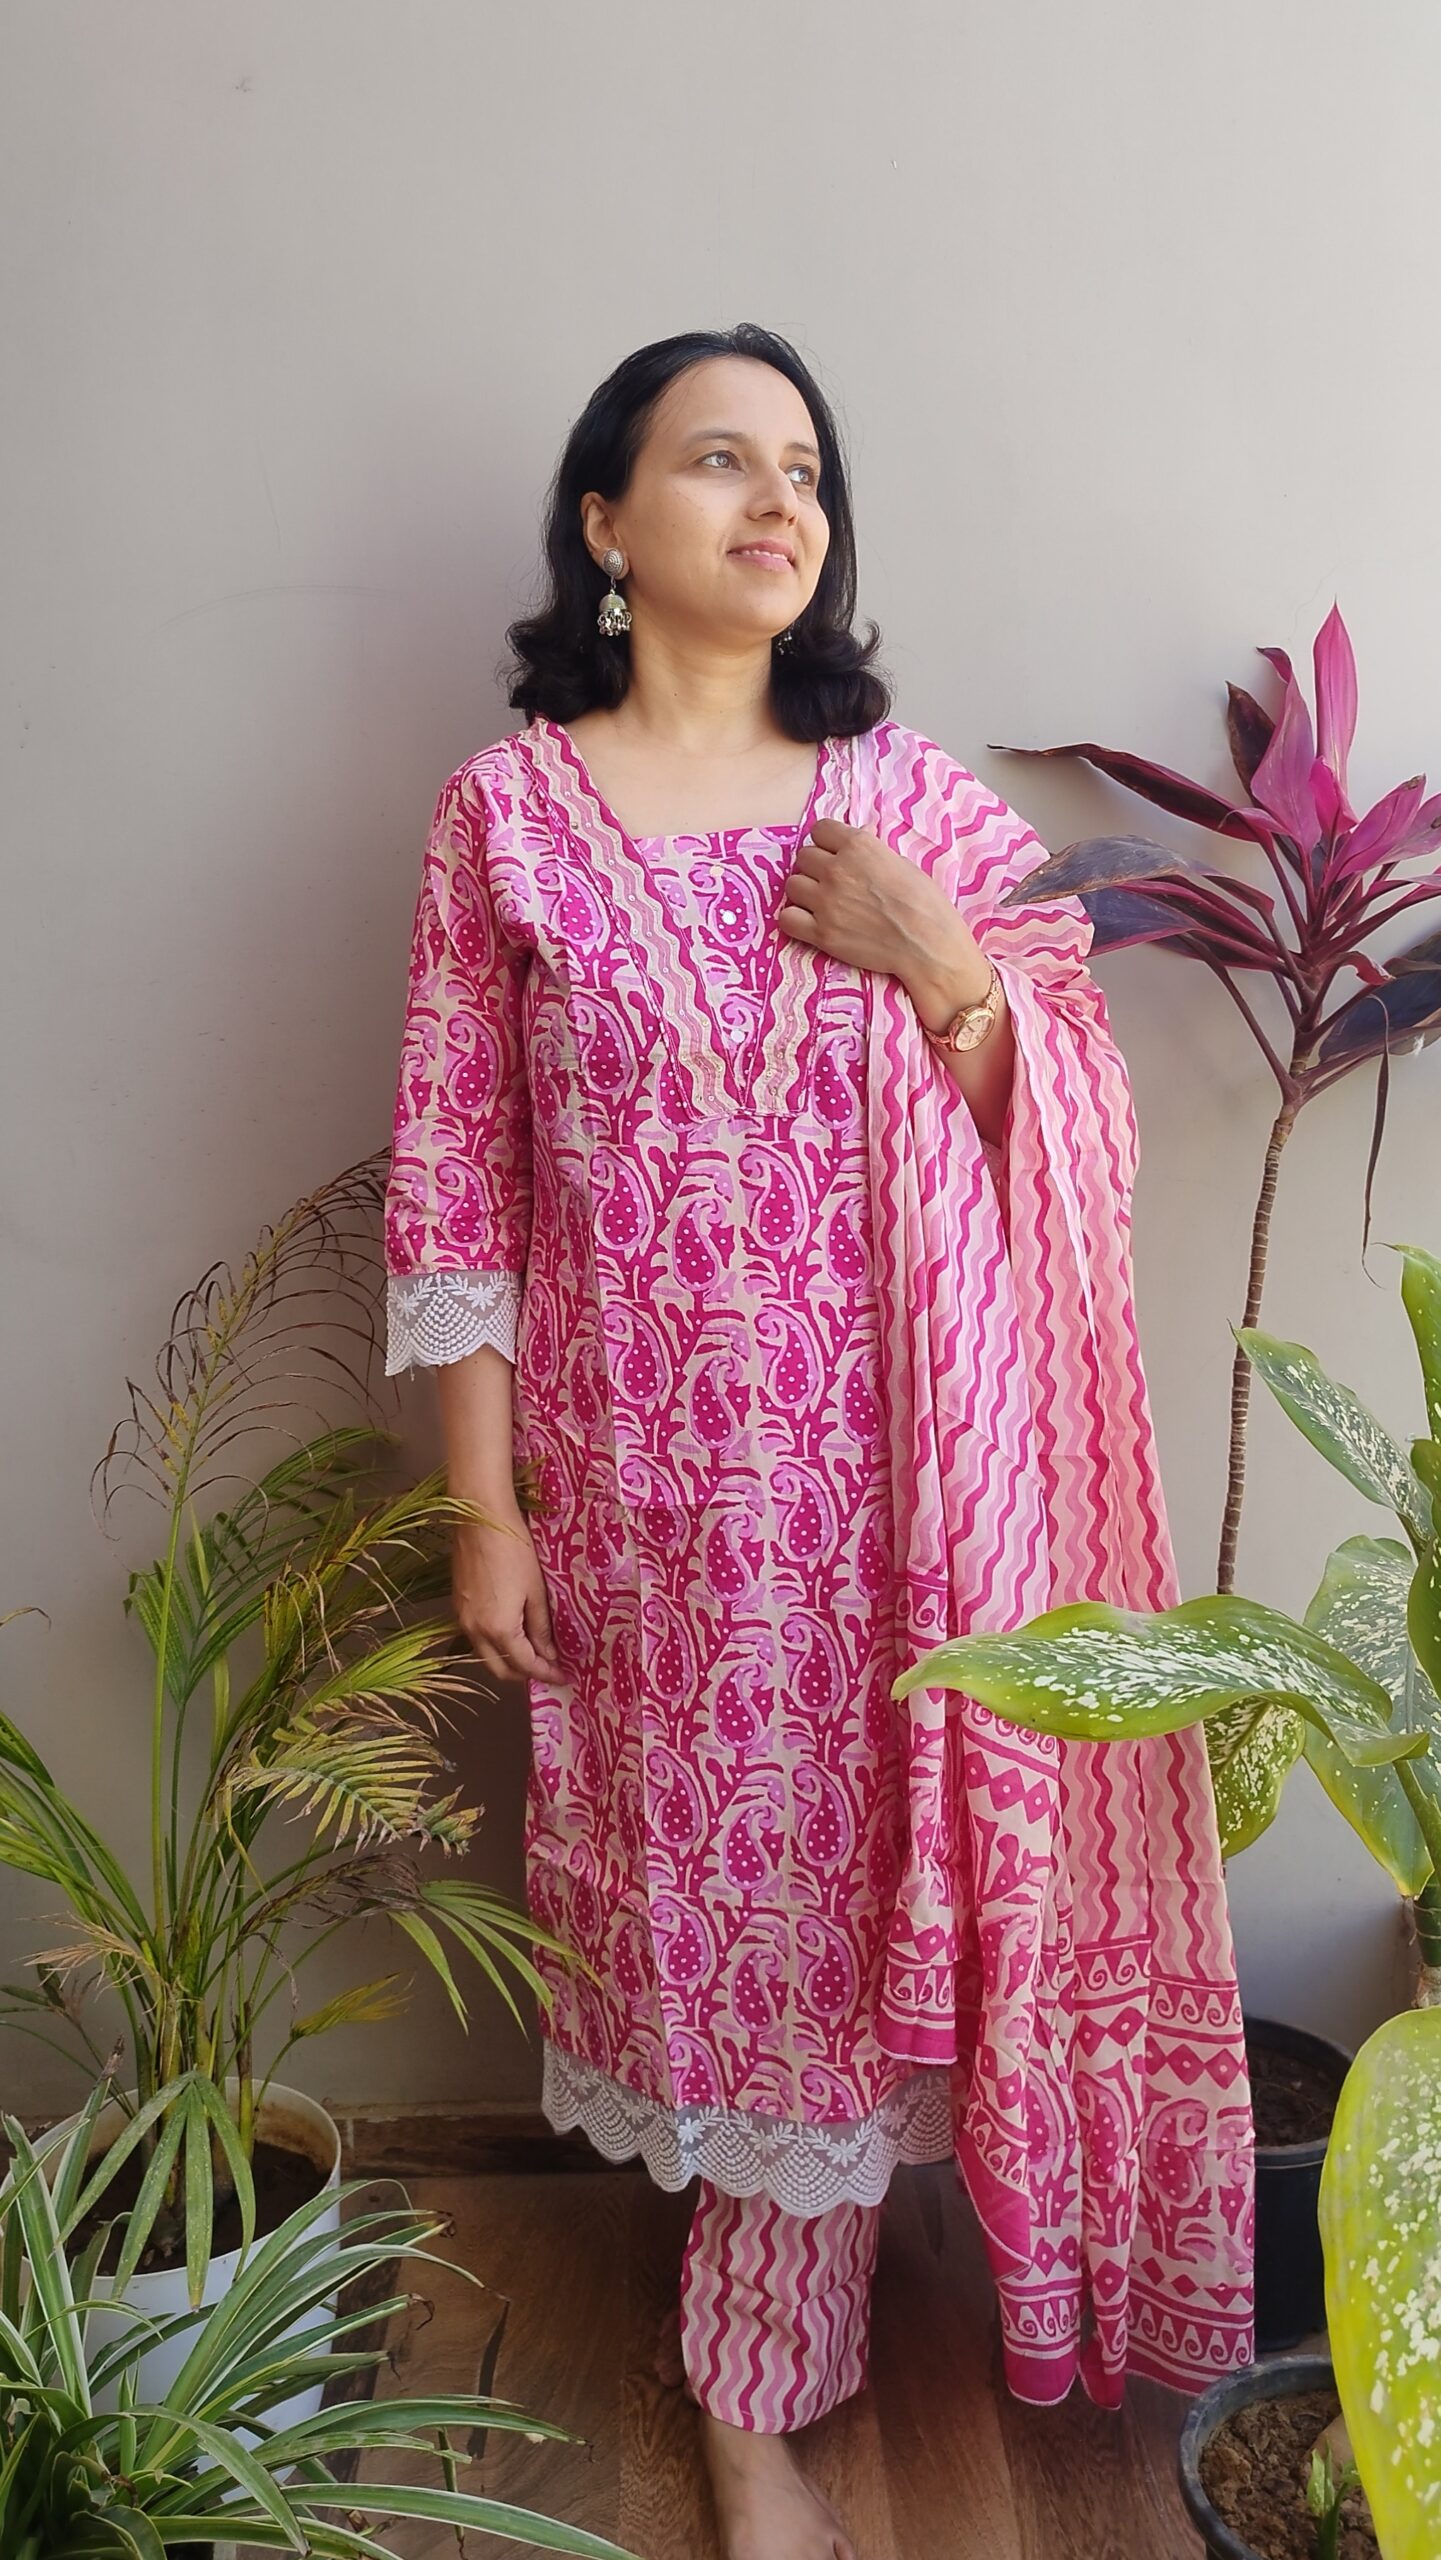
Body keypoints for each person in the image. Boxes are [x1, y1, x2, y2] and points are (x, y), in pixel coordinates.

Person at [384, 323, 1255, 2560]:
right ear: (605, 523)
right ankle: (754, 2352)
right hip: (644, 1498)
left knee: (857, 1927)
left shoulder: (907, 810)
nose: (778, 501)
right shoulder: (507, 818)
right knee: (706, 1921)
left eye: (804, 468)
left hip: (901, 1500)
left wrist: (941, 960)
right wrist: (483, 1502)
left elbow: (1070, 1131)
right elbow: (461, 1182)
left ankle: (755, 2393)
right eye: (717, 460)